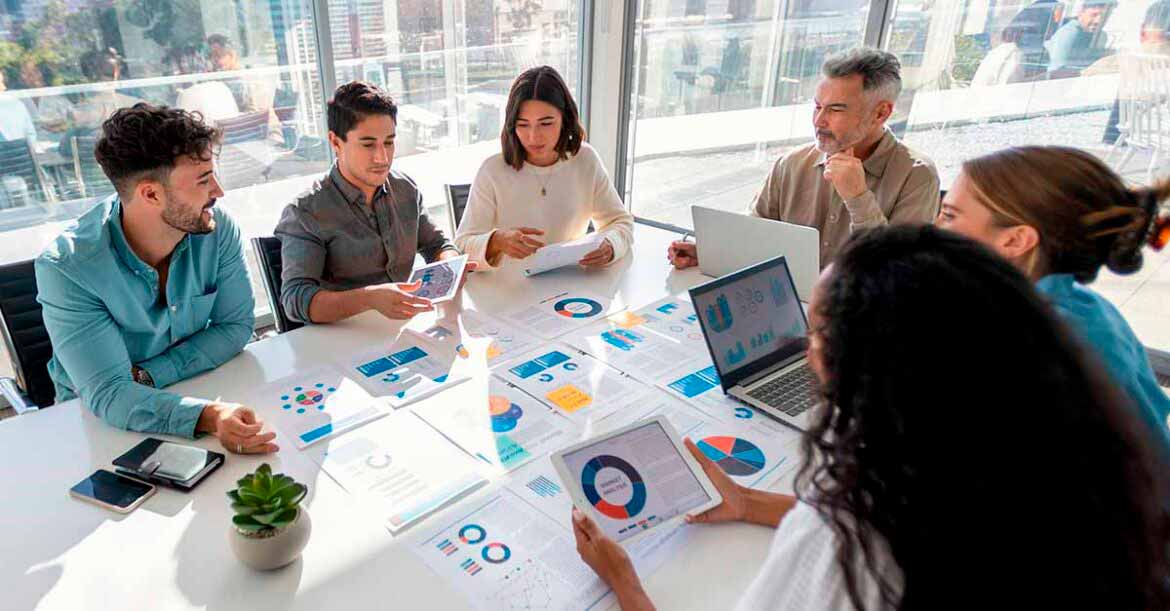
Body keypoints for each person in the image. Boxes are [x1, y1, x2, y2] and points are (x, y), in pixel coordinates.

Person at [573, 225, 1170, 610]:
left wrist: (624, 581)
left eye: (820, 328)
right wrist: (750, 504)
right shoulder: (1045, 460)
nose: (805, 341)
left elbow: (861, 532)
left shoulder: (848, 542)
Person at [35, 103, 276, 455]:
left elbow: (235, 326)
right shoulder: (67, 269)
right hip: (94, 424)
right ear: (151, 194)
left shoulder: (217, 228)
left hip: (197, 386)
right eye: (204, 180)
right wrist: (209, 415)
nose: (219, 192)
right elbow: (111, 394)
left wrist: (149, 376)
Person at [935, 146, 1170, 450]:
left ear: (1016, 240)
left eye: (949, 215)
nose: (934, 226)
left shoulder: (1028, 344)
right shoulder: (1084, 306)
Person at [667, 47, 939, 270]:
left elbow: (899, 275)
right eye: (817, 106)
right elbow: (753, 235)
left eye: (835, 109)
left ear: (881, 113)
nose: (819, 120)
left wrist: (858, 198)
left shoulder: (917, 175)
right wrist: (713, 253)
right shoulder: (792, 164)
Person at [276, 81, 466, 324]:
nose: (382, 157)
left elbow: (436, 244)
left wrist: (450, 262)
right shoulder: (305, 212)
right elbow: (295, 301)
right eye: (368, 144)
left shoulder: (405, 189)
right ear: (335, 142)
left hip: (401, 328)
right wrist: (369, 299)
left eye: (388, 142)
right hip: (341, 339)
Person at [455, 65, 633, 269]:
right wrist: (496, 242)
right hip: (506, 292)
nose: (533, 136)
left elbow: (621, 222)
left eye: (546, 123)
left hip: (568, 283)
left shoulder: (585, 159)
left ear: (565, 119)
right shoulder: (492, 170)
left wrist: (611, 245)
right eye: (523, 125)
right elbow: (461, 247)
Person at [971, 1, 1065, 86]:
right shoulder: (1013, 54)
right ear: (1041, 24)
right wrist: (1051, 76)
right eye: (1054, 20)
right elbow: (1010, 90)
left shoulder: (1004, 50)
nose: (1056, 26)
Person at [1045, 0, 1115, 75]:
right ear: (1081, 12)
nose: (1097, 21)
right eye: (1094, 15)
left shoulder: (1101, 36)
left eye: (1104, 17)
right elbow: (1055, 72)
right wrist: (1088, 72)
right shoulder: (1069, 33)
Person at [0, 70, 37, 142]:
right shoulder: (18, 103)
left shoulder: (17, 104)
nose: (4, 87)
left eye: (2, 82)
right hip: (24, 151)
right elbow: (31, 135)